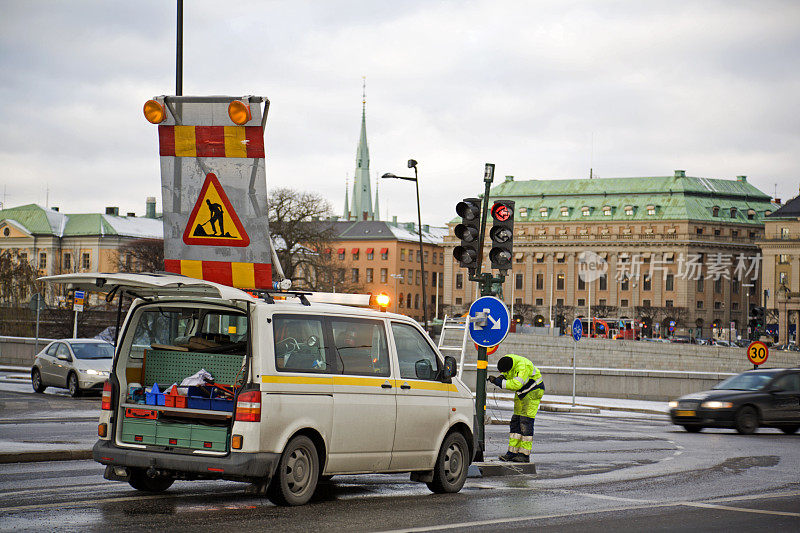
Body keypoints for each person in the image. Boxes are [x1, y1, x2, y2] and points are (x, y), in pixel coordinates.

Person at [487, 354, 544, 463]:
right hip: (522, 393)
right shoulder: (508, 360)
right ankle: (512, 453)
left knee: (525, 423)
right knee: (516, 422)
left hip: (533, 392)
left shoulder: (522, 366)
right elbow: (508, 374)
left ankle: (524, 455)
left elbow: (516, 384)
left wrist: (499, 382)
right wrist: (501, 378)